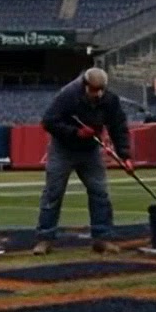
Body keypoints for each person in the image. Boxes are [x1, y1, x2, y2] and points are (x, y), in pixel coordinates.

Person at [33, 67, 132, 256]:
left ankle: (102, 238)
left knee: (100, 193)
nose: (98, 94)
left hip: (90, 151)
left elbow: (118, 127)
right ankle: (44, 238)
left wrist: (125, 156)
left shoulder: (110, 100)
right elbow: (48, 121)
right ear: (85, 86)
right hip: (63, 150)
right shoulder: (67, 96)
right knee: (53, 194)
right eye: (94, 90)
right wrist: (75, 132)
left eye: (101, 89)